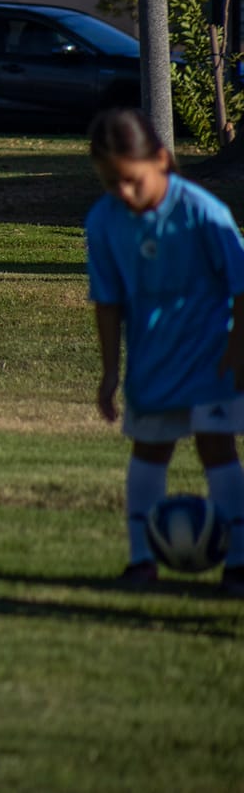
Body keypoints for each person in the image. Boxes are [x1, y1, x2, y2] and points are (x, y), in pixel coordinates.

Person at [85, 107, 244, 596]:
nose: (124, 193)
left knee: (216, 448)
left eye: (131, 180)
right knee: (149, 451)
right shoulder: (103, 220)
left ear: (160, 159)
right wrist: (110, 371)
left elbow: (241, 287)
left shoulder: (202, 212)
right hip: (153, 362)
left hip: (212, 358)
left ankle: (237, 564)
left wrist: (237, 352)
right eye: (111, 183)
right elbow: (107, 302)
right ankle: (140, 560)